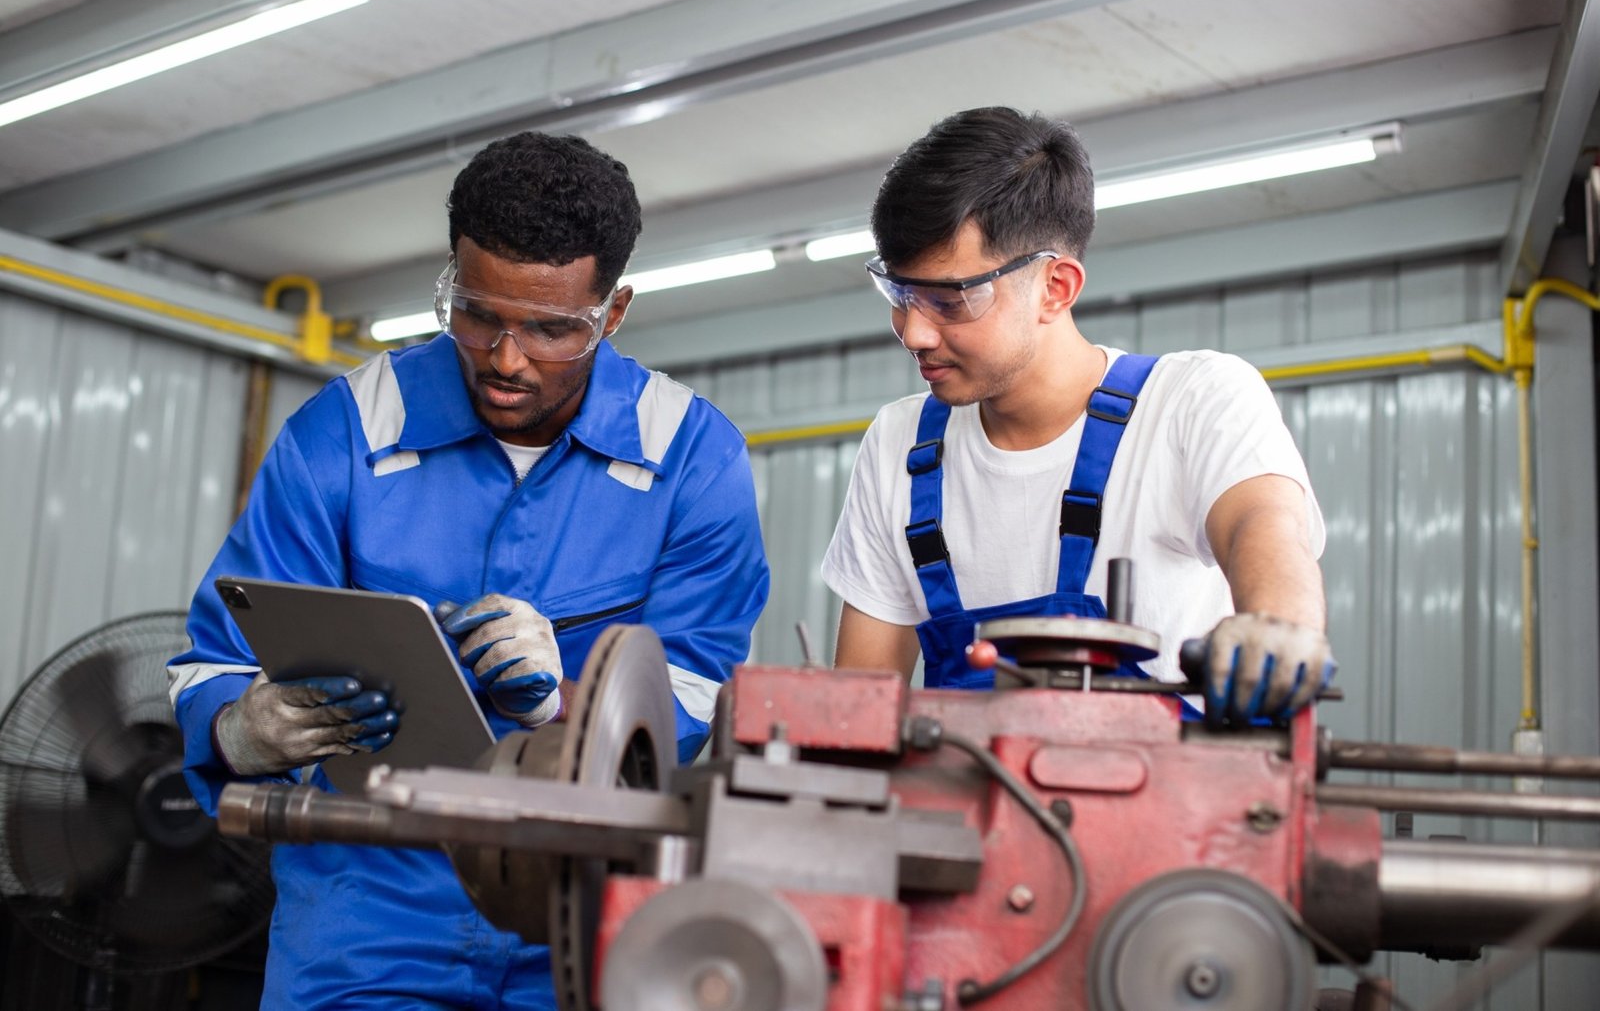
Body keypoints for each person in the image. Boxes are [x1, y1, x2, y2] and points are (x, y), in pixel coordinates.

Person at [167, 131, 769, 1009]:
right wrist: (239, 732)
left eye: (553, 329)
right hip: (364, 919)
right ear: (451, 274)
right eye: (479, 314)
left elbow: (695, 691)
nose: (507, 359)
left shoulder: (689, 457)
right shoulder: (346, 434)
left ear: (615, 310)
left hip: (579, 917)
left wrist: (564, 708)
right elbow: (212, 661)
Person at [822, 107, 1330, 724]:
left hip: (1166, 811)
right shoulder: (899, 445)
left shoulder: (1194, 401)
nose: (913, 332)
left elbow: (1263, 522)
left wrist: (1278, 626)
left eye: (949, 300)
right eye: (900, 294)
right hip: (955, 813)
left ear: (1056, 288)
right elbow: (856, 712)